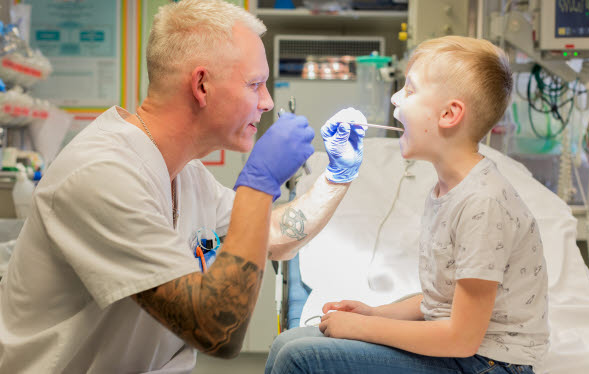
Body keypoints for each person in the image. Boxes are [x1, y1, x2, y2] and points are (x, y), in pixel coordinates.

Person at [0, 1, 368, 373]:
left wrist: (336, 177)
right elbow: (217, 330)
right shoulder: (102, 174)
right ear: (202, 85)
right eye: (255, 84)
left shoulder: (184, 173)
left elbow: (269, 234)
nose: (267, 102)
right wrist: (260, 184)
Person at [265, 35, 550, 374]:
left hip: (489, 365)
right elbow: (442, 302)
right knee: (288, 342)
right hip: (466, 355)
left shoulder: (482, 203)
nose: (396, 98)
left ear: (449, 114)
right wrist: (373, 314)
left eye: (410, 90)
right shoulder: (448, 190)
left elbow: (460, 338)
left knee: (299, 359)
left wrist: (362, 329)